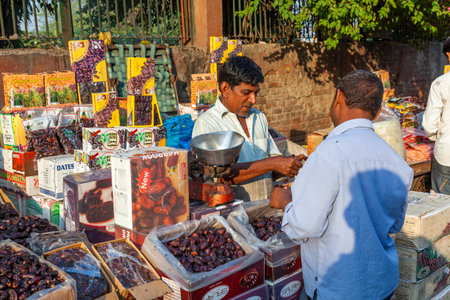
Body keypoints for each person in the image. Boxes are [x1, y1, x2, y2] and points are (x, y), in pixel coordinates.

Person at [270, 70, 413, 300]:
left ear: (338, 97)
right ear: (375, 113)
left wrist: (285, 202)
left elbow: (304, 227)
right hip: (382, 284)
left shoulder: (330, 151)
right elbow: (395, 225)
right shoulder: (396, 162)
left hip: (339, 288)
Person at [192, 56, 304, 202]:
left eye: (255, 93)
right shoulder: (207, 123)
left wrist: (287, 164)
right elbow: (219, 177)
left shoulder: (259, 118)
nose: (253, 100)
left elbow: (271, 164)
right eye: (246, 93)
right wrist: (272, 163)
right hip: (233, 214)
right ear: (226, 89)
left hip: (265, 209)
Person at [422, 37, 450, 195]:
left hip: (447, 155)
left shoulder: (441, 83)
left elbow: (429, 126)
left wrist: (438, 136)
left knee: (443, 210)